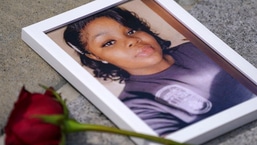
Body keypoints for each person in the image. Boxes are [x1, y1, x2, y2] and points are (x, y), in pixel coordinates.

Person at [63, 7, 254, 136]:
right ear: (96, 57)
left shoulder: (197, 47)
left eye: (130, 31)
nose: (132, 40)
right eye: (109, 42)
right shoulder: (136, 106)